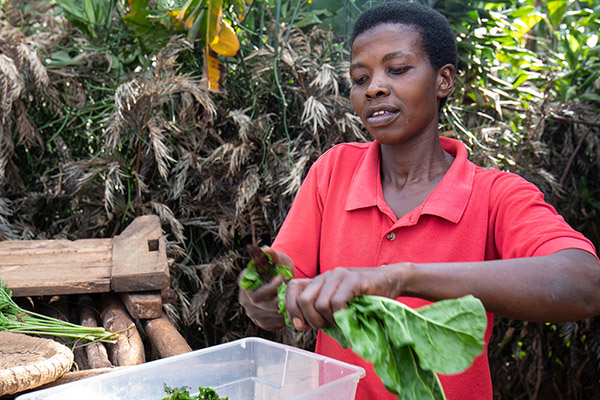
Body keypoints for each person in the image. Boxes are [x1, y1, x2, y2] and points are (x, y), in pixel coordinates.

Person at [238, 1, 600, 399]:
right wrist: (266, 297)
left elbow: (584, 283)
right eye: (360, 78)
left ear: (444, 80)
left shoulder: (495, 194)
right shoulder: (333, 172)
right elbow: (274, 306)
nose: (373, 87)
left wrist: (401, 278)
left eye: (397, 70)